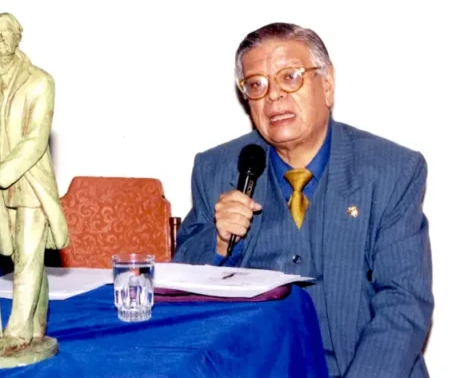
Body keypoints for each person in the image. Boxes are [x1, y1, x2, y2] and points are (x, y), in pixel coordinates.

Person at [173, 23, 433, 377]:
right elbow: (177, 283)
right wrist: (218, 241)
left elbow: (404, 303)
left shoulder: (391, 171)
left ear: (326, 85)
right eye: (257, 85)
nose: (274, 96)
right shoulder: (218, 168)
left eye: (290, 77)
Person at [0, 13, 69, 353]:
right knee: (25, 257)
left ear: (18, 35)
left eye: (5, 32)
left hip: (30, 187)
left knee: (25, 258)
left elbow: (35, 141)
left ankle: (17, 333)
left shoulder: (41, 81)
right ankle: (37, 324)